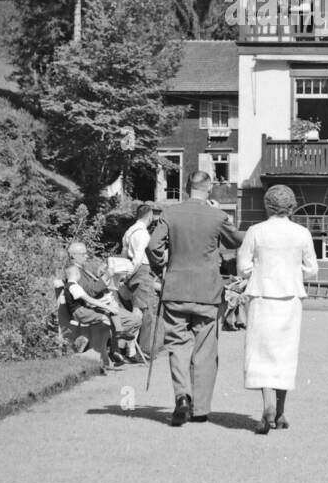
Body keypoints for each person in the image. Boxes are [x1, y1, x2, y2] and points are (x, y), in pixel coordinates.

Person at [146, 170, 245, 425]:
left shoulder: (170, 213)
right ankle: (200, 409)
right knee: (205, 350)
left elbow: (152, 247)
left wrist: (160, 267)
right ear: (209, 188)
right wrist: (219, 212)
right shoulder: (217, 215)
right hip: (207, 292)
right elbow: (236, 240)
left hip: (175, 288)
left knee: (178, 346)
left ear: (187, 186)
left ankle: (181, 397)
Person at [236, 184, 316, 434]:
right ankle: (280, 412)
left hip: (261, 296)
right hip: (290, 297)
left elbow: (243, 268)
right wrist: (293, 271)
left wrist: (261, 269)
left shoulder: (255, 231)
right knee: (285, 352)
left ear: (267, 205)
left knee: (261, 352)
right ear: (291, 207)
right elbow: (312, 269)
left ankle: (268, 404)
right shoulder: (302, 233)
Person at [61, 241, 140, 371]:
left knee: (135, 321)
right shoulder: (74, 271)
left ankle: (112, 348)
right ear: (74, 255)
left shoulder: (82, 269)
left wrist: (101, 274)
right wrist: (106, 276)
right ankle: (108, 350)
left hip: (100, 304)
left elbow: (92, 286)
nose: (87, 256)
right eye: (83, 254)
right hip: (92, 308)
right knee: (115, 320)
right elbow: (90, 291)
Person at [119, 203, 160, 359]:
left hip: (132, 270)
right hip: (140, 271)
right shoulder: (142, 233)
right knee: (139, 311)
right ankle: (132, 348)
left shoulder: (129, 231)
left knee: (142, 310)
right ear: (149, 216)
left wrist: (124, 274)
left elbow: (124, 254)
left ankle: (141, 348)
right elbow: (137, 258)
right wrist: (129, 275)